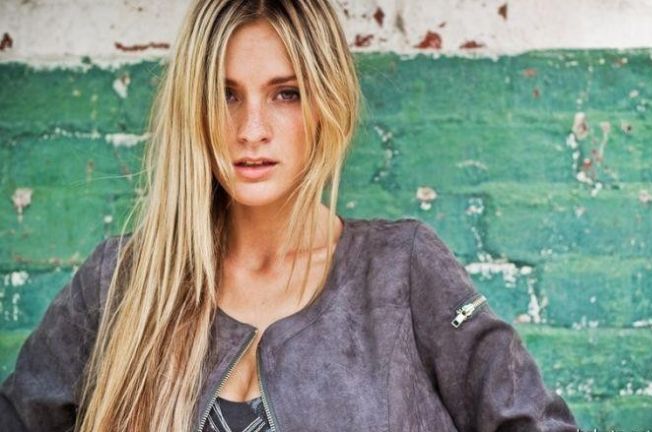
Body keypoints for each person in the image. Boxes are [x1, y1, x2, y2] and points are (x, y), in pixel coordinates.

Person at [0, 0, 579, 431]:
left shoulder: (402, 271)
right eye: (226, 94)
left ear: (327, 103)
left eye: (286, 93)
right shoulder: (122, 281)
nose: (251, 130)